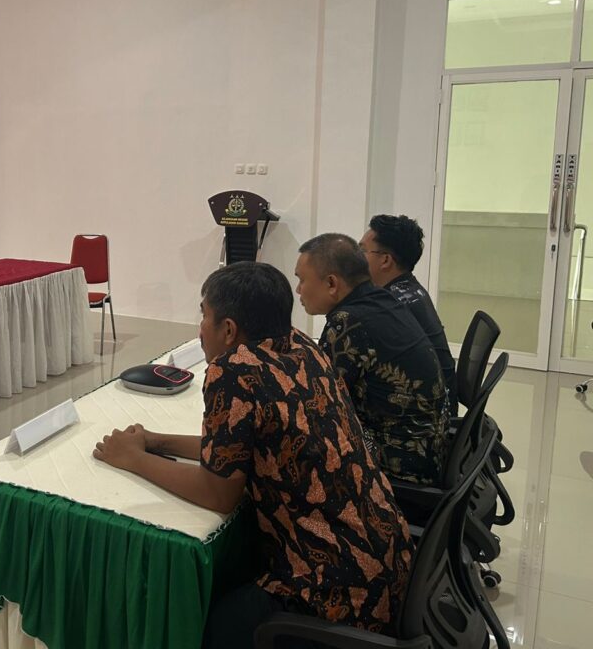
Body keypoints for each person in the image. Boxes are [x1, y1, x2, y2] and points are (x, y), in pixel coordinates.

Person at [93, 262, 412, 645]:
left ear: (228, 329)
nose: (200, 329)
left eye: (204, 316)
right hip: (388, 558)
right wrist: (156, 441)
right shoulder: (301, 346)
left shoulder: (233, 372)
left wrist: (133, 459)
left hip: (337, 590)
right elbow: (237, 449)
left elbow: (218, 493)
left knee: (201, 623)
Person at [295, 233, 448, 485]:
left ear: (332, 283)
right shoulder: (383, 300)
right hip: (430, 448)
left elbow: (320, 405)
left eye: (301, 280)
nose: (298, 290)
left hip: (400, 465)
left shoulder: (348, 322)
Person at [361, 215, 458, 414]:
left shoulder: (391, 306)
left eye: (362, 251)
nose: (355, 258)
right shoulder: (411, 289)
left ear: (385, 260)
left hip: (425, 416)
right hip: (439, 404)